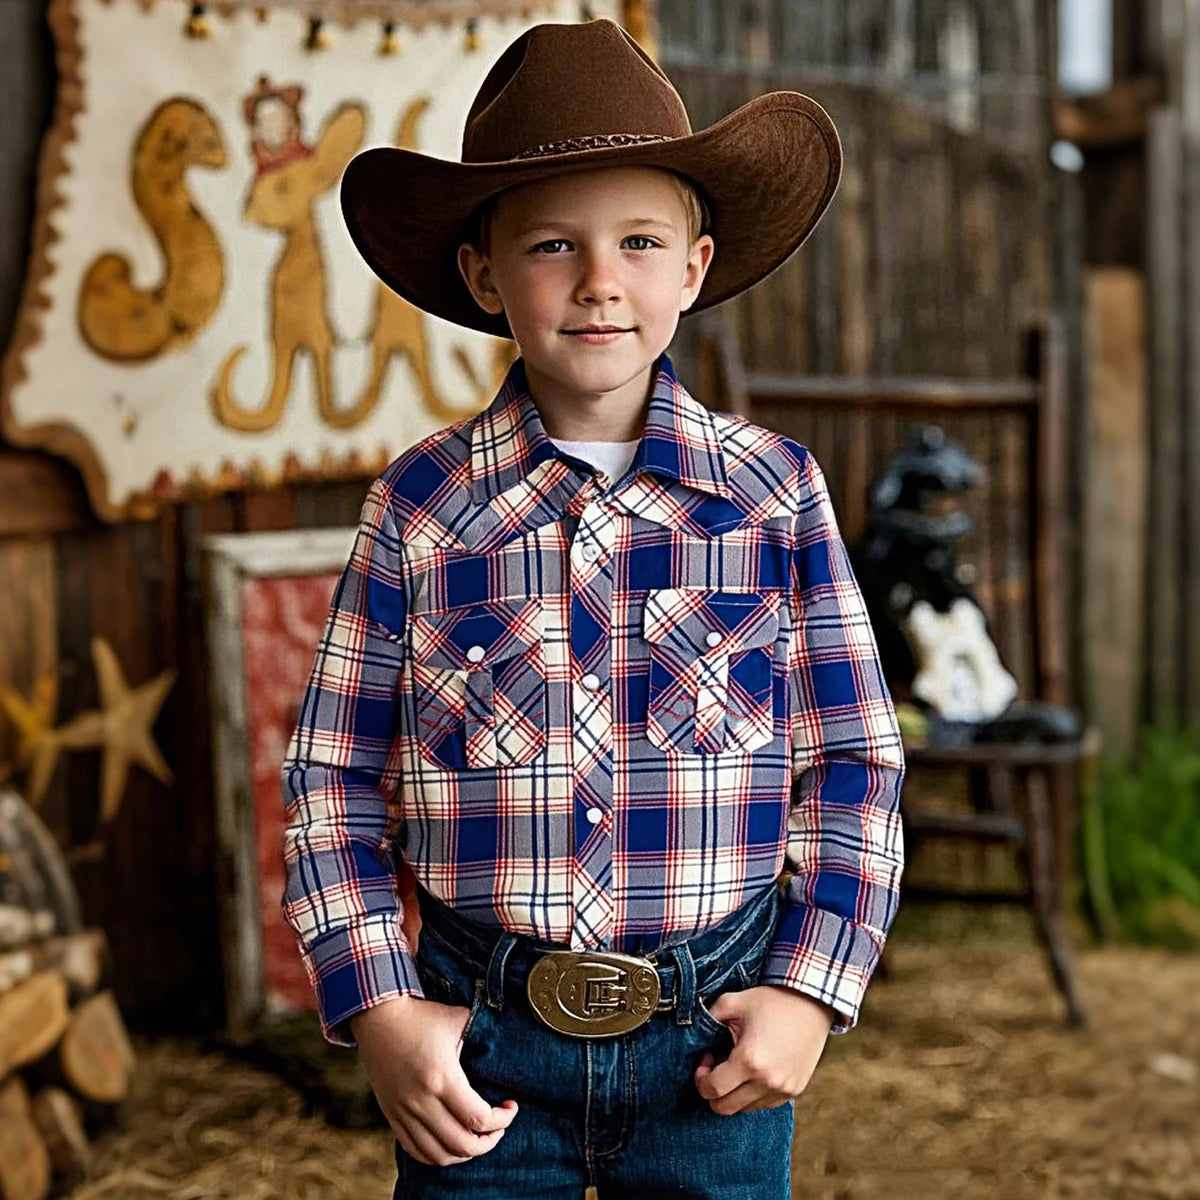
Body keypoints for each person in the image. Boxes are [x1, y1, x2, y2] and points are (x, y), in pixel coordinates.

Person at [281, 18, 904, 1199]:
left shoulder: (771, 497)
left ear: (694, 267)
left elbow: (857, 765)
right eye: (554, 246)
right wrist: (376, 1002)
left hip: (707, 1041)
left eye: (638, 242)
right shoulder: (420, 508)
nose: (601, 282)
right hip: (479, 1046)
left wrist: (813, 988)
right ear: (482, 275)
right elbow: (332, 781)